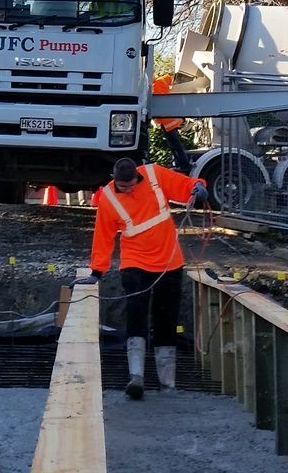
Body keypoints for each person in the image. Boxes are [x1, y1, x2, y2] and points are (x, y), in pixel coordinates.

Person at [80, 157, 207, 398]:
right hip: (134, 262)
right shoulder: (109, 196)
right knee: (136, 314)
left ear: (136, 178)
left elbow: (185, 185)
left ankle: (167, 382)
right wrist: (97, 271)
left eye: (128, 186)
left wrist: (197, 187)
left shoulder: (154, 175)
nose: (124, 190)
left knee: (166, 319)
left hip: (169, 261)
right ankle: (136, 376)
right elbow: (103, 236)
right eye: (120, 186)